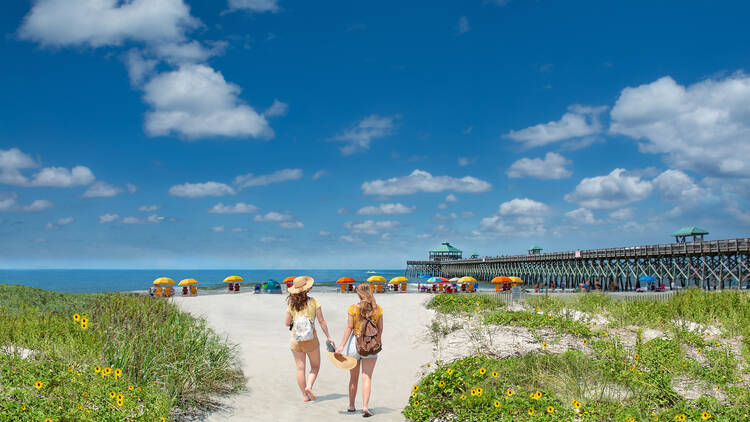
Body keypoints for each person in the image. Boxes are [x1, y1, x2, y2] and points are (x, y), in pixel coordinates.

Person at [336, 283, 383, 417]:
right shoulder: (377, 309)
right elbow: (380, 329)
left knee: (353, 378)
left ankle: (351, 406)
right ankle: (365, 407)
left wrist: (341, 346)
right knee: (367, 377)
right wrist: (377, 342)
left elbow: (349, 328)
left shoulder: (353, 308)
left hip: (354, 345)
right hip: (371, 345)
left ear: (358, 294)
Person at [284, 276, 334, 402]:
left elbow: (286, 322)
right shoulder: (314, 302)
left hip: (296, 339)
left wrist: (294, 321)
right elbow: (322, 321)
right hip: (311, 339)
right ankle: (309, 386)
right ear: (307, 288)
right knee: (315, 367)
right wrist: (328, 336)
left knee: (300, 369)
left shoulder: (291, 304)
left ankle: (305, 396)